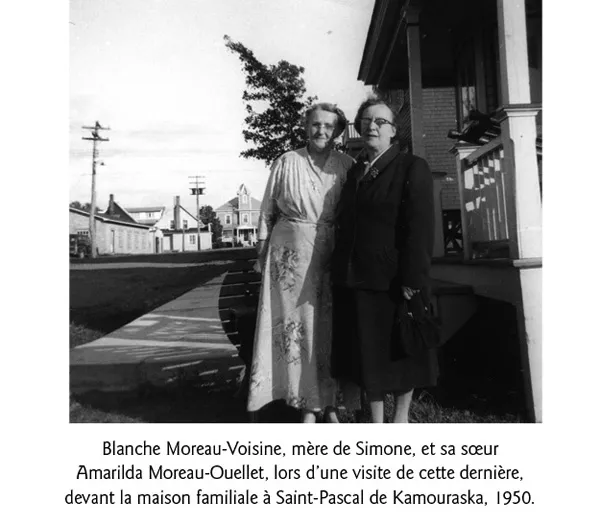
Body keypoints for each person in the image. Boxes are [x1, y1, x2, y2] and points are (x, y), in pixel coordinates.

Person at [247, 102, 357, 423]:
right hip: (289, 261)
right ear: (306, 127)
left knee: (328, 329)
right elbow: (267, 210)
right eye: (316, 124)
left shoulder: (347, 165)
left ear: (338, 131)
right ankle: (305, 403)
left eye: (329, 126)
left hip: (331, 256)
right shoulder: (286, 161)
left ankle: (328, 403)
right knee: (296, 329)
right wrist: (260, 254)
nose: (322, 130)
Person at [331, 98, 438, 423]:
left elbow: (420, 227)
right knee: (370, 358)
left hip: (396, 280)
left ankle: (400, 420)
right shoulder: (355, 172)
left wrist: (413, 278)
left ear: (393, 130)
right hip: (360, 280)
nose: (372, 126)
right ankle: (377, 424)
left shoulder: (411, 167)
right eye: (366, 121)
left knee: (403, 353)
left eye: (380, 122)